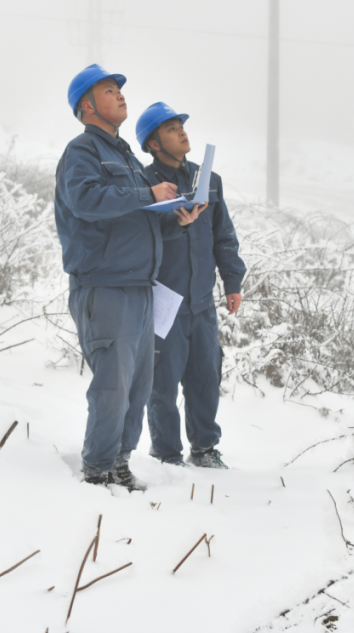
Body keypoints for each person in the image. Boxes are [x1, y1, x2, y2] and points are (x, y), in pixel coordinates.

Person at [54, 66, 204, 491]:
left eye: (119, 89)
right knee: (112, 386)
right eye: (109, 90)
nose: (120, 95)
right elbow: (85, 199)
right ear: (87, 105)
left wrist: (178, 220)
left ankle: (119, 461)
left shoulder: (126, 158)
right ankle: (98, 469)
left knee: (138, 386)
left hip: (140, 288)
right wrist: (146, 194)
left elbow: (141, 221)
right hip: (105, 287)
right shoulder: (82, 152)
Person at [135, 102, 246, 469]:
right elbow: (139, 239)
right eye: (171, 129)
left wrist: (232, 281)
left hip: (202, 300)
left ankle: (204, 448)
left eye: (181, 125)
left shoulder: (207, 180)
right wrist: (174, 225)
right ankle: (166, 455)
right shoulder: (146, 184)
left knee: (206, 376)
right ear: (153, 144)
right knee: (162, 383)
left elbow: (223, 235)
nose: (182, 132)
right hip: (165, 300)